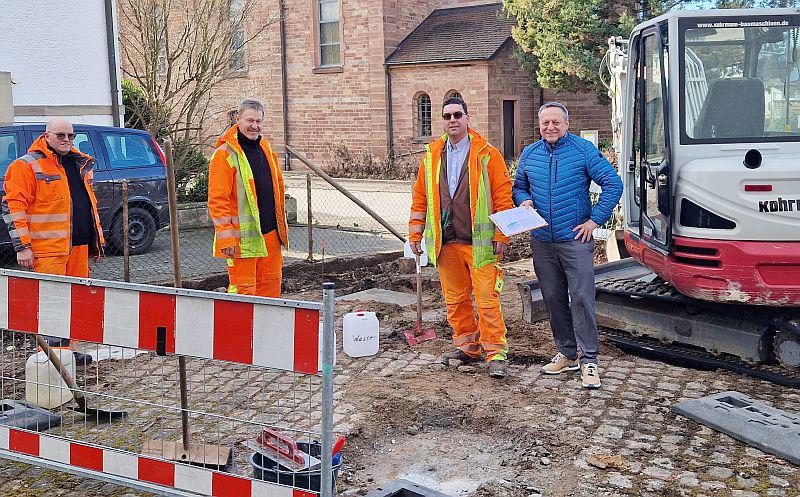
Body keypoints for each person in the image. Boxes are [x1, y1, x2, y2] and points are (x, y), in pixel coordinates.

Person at [512, 102, 623, 389]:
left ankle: (589, 361)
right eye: (545, 123)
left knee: (582, 298)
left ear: (566, 124)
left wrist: (594, 220)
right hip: (542, 241)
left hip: (575, 240)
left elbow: (613, 183)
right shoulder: (530, 153)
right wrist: (522, 200)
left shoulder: (583, 150)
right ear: (539, 125)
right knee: (553, 298)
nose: (550, 127)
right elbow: (519, 186)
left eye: (556, 123)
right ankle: (568, 353)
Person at [408, 96, 514, 379]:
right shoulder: (431, 156)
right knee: (455, 300)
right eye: (447, 116)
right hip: (446, 242)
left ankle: (496, 353)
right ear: (442, 121)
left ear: (467, 118)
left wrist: (502, 234)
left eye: (457, 115)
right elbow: (420, 199)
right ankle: (467, 347)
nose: (452, 120)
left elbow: (503, 197)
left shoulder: (487, 154)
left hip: (481, 245)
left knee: (487, 299)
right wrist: (415, 235)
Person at [1, 117, 104, 366]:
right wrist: (22, 247)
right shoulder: (26, 166)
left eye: (70, 135)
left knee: (75, 301)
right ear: (46, 136)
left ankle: (69, 351)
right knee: (51, 304)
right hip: (47, 251)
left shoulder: (79, 163)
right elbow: (13, 207)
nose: (66, 140)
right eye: (60, 135)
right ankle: (51, 357)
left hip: (77, 246)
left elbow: (87, 205)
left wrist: (96, 240)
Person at [208, 98, 288, 297]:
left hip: (270, 235)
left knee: (271, 288)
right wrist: (225, 239)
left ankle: (267, 327)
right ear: (238, 120)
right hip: (241, 242)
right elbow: (218, 200)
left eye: (258, 121)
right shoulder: (224, 154)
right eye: (249, 121)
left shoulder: (266, 149)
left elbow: (276, 190)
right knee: (244, 292)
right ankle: (239, 328)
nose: (255, 126)